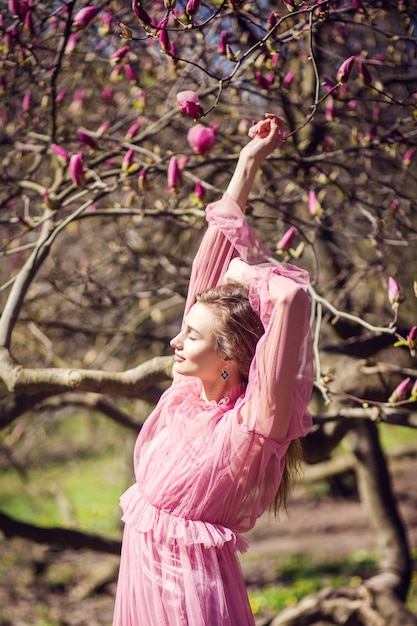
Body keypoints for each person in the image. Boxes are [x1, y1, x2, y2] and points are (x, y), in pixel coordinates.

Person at [112, 113, 314, 626]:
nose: (176, 340)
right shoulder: (187, 392)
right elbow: (211, 257)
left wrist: (247, 273)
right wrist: (249, 160)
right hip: (141, 584)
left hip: (190, 603)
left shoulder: (252, 424)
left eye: (193, 335)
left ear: (230, 358)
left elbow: (290, 296)